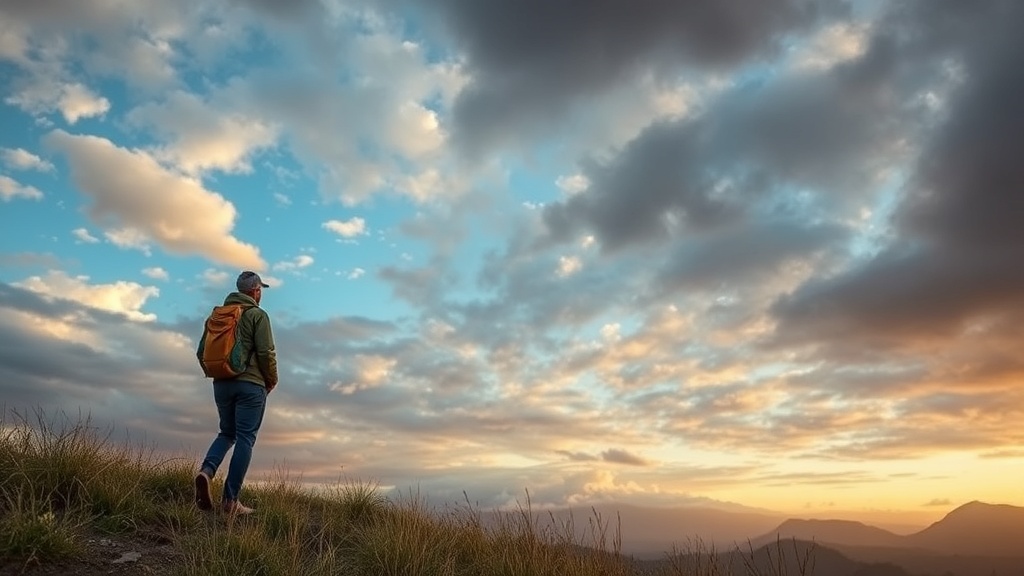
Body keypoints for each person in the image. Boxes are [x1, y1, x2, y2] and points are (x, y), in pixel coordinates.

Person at [194, 270, 279, 515]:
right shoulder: (257, 315)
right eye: (260, 289)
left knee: (226, 432)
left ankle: (206, 472)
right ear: (256, 291)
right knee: (245, 438)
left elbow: (201, 352)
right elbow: (266, 352)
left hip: (221, 383)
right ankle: (230, 502)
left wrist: (219, 373)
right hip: (250, 384)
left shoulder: (217, 315)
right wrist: (271, 380)